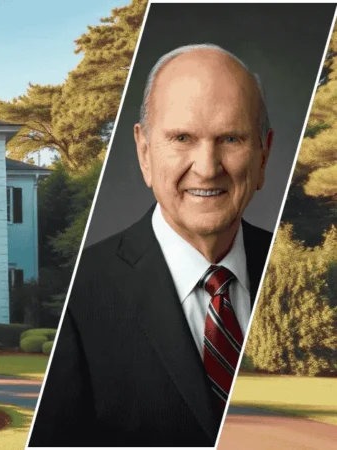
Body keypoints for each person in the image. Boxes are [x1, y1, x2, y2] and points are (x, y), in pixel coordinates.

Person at [28, 44, 274, 447]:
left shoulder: (301, 276)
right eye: (182, 137)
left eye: (231, 138)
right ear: (144, 152)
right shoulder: (82, 293)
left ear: (264, 156)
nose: (208, 168)